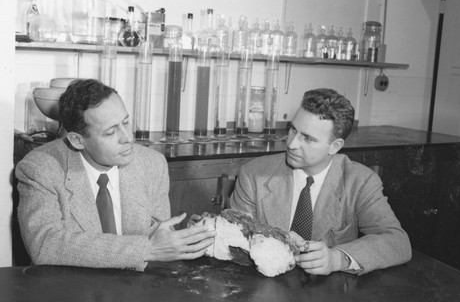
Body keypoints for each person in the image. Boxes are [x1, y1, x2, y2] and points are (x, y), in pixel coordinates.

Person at [16, 79, 215, 271]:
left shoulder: (152, 163)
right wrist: (145, 249)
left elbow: (159, 236)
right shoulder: (41, 168)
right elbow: (44, 244)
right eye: (111, 132)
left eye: (126, 122)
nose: (128, 138)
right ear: (77, 141)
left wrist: (187, 236)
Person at [230, 88, 411, 275]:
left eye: (307, 138)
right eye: (293, 130)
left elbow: (398, 242)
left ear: (335, 146)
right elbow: (233, 241)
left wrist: (337, 259)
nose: (292, 144)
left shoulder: (360, 181)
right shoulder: (254, 174)